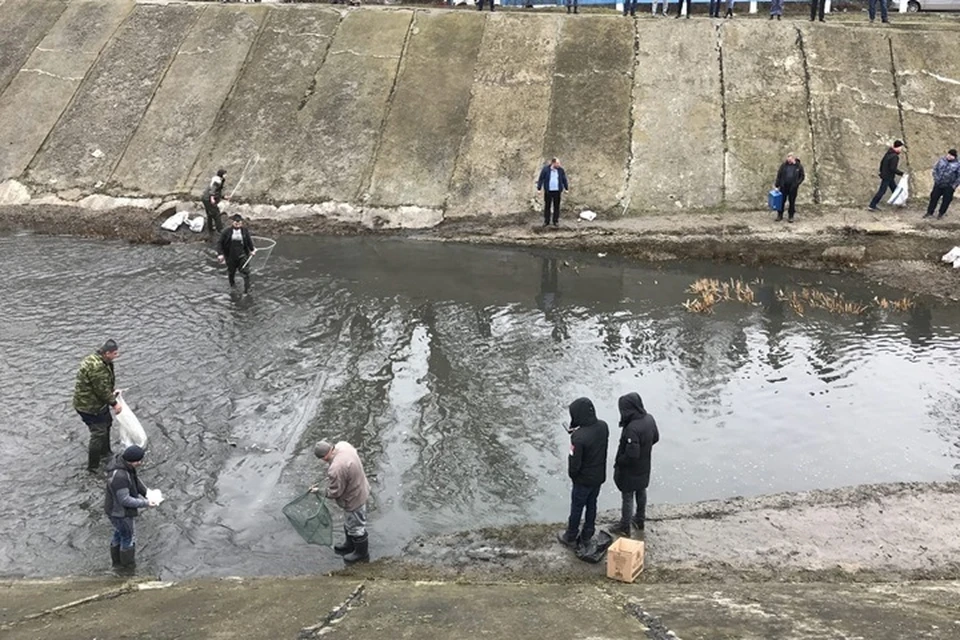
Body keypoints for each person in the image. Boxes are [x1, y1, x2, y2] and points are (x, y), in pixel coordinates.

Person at [557, 398, 609, 548]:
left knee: (577, 507)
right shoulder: (603, 426)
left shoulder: (578, 437)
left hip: (583, 480)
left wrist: (574, 476)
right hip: (598, 476)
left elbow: (574, 464)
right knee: (592, 504)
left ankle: (571, 535)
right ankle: (588, 532)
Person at [312, 440, 371, 564]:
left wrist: (319, 491)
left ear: (324, 456)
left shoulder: (336, 468)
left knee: (356, 527)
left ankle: (361, 553)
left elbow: (335, 492)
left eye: (322, 459)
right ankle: (349, 545)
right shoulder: (343, 445)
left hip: (354, 498)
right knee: (349, 522)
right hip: (361, 487)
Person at [611, 393, 659, 538]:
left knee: (627, 496)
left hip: (630, 470)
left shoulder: (631, 428)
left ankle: (624, 526)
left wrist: (620, 461)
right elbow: (656, 437)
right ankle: (640, 519)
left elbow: (632, 454)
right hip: (644, 465)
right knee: (641, 491)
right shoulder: (649, 418)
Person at [104, 445, 157, 572]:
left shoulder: (124, 465)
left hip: (112, 510)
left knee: (118, 534)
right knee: (128, 537)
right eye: (139, 461)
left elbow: (135, 481)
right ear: (133, 461)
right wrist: (146, 503)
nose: (141, 463)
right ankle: (128, 568)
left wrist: (147, 493)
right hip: (120, 513)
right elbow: (125, 500)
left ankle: (117, 564)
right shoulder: (120, 477)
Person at [73, 339, 121, 472]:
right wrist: (115, 403)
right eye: (115, 353)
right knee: (98, 432)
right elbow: (101, 389)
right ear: (106, 353)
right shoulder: (97, 367)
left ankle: (106, 453)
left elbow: (103, 385)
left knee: (107, 423)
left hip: (97, 403)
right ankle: (93, 467)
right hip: (89, 407)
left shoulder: (98, 360)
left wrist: (112, 392)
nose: (116, 356)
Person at [217, 214, 256, 292]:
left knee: (246, 272)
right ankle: (232, 285)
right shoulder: (226, 232)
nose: (237, 223)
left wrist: (252, 250)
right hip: (230, 256)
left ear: (241, 223)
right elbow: (220, 243)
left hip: (242, 255)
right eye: (236, 222)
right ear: (232, 222)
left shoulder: (244, 230)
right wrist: (220, 254)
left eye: (239, 222)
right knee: (231, 272)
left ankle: (247, 289)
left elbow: (248, 241)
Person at [868, 140, 905, 212]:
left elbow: (882, 163)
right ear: (897, 147)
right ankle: (872, 205)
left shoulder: (888, 153)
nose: (901, 149)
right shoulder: (895, 157)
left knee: (894, 189)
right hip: (888, 176)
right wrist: (901, 173)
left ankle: (900, 202)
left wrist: (881, 172)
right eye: (900, 148)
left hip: (886, 175)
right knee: (882, 191)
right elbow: (893, 168)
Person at [924, 149, 960, 220]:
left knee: (946, 200)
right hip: (938, 184)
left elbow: (959, 176)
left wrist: (954, 186)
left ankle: (941, 213)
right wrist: (936, 179)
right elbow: (935, 169)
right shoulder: (941, 160)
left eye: (951, 155)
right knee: (933, 198)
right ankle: (929, 212)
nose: (949, 156)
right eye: (948, 154)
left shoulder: (958, 165)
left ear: (954, 157)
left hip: (949, 186)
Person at [536, 157, 569, 227]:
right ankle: (546, 221)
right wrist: (539, 189)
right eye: (557, 163)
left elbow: (564, 179)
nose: (559, 164)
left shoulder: (560, 170)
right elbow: (541, 179)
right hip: (548, 191)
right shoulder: (546, 170)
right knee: (547, 206)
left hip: (557, 191)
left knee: (556, 206)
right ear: (553, 163)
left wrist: (566, 188)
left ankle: (555, 221)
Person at [774, 153, 805, 223]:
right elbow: (779, 175)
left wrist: (797, 183)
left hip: (793, 187)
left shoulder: (799, 166)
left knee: (792, 202)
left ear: (793, 158)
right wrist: (777, 185)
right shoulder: (783, 165)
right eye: (788, 158)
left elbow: (802, 176)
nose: (788, 160)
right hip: (783, 186)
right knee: (781, 201)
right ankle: (779, 215)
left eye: (790, 158)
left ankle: (791, 216)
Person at [201, 169, 228, 235]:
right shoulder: (217, 181)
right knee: (216, 213)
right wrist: (212, 198)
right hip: (208, 199)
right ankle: (220, 230)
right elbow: (213, 190)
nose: (226, 175)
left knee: (209, 214)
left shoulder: (217, 180)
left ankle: (210, 228)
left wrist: (224, 197)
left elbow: (217, 192)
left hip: (205, 198)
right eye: (225, 174)